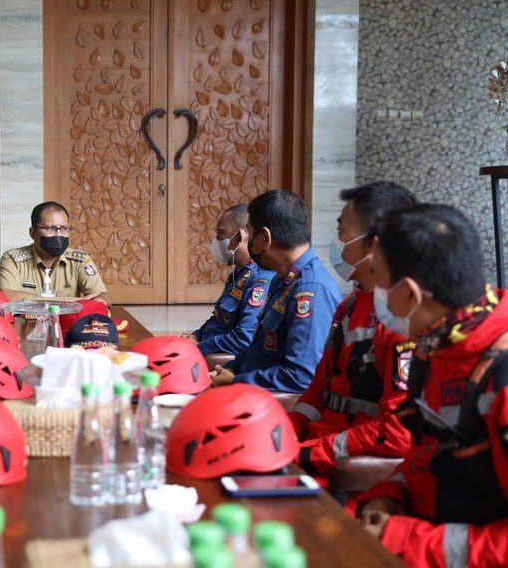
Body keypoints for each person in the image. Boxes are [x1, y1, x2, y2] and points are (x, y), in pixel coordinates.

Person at [356, 204, 508, 567]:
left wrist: (404, 537)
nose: (371, 292)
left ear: (409, 294)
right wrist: (389, 496)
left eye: (376, 277)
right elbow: (428, 457)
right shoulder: (438, 346)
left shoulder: (499, 377)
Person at [289, 182, 416, 484]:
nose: (338, 242)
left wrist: (309, 453)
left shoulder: (403, 319)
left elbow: (398, 432)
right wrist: (286, 431)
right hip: (312, 455)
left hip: (341, 472)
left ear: (372, 243)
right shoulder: (349, 306)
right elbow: (319, 388)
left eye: (342, 232)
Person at [211, 189, 341, 392]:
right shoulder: (283, 279)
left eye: (251, 235)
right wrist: (228, 371)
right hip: (249, 389)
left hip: (266, 403)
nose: (249, 243)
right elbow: (259, 349)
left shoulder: (309, 291)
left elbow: (301, 377)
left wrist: (236, 381)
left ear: (265, 238)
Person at [182, 204, 274, 359]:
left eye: (221, 234)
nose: (217, 241)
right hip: (209, 347)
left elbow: (243, 338)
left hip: (222, 359)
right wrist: (196, 336)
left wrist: (200, 347)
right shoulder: (238, 274)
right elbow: (218, 318)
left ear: (239, 237)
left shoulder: (259, 281)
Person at [0, 201, 112, 307]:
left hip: (67, 326)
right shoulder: (13, 259)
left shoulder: (80, 260)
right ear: (33, 233)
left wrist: (100, 300)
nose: (58, 234)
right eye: (50, 228)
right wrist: (71, 302)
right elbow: (5, 297)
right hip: (25, 325)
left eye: (64, 228)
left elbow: (103, 297)